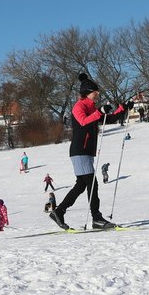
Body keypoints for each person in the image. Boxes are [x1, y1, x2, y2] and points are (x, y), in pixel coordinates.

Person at [49, 72, 131, 230]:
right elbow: (83, 121)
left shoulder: (92, 108)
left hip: (86, 151)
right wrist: (99, 111)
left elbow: (110, 118)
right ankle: (96, 218)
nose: (98, 94)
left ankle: (59, 212)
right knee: (92, 184)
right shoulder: (78, 107)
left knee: (81, 185)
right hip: (79, 150)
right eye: (95, 92)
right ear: (87, 93)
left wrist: (123, 108)